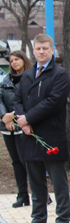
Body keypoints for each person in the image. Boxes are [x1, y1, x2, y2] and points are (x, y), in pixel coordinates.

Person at [13, 35, 70, 223]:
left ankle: (63, 221)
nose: (41, 52)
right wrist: (23, 120)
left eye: (45, 48)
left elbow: (53, 102)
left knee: (58, 181)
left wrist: (28, 119)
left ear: (52, 49)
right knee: (35, 180)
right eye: (38, 48)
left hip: (51, 135)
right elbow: (17, 98)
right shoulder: (28, 75)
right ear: (33, 51)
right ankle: (38, 220)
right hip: (30, 136)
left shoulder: (60, 74)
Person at [1, 50, 31, 208]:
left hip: (24, 124)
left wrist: (13, 116)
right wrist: (4, 117)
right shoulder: (6, 80)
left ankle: (41, 193)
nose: (14, 63)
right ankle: (22, 195)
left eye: (17, 59)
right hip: (7, 126)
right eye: (11, 61)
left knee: (28, 161)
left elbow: (29, 101)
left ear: (23, 60)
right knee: (16, 162)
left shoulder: (30, 78)